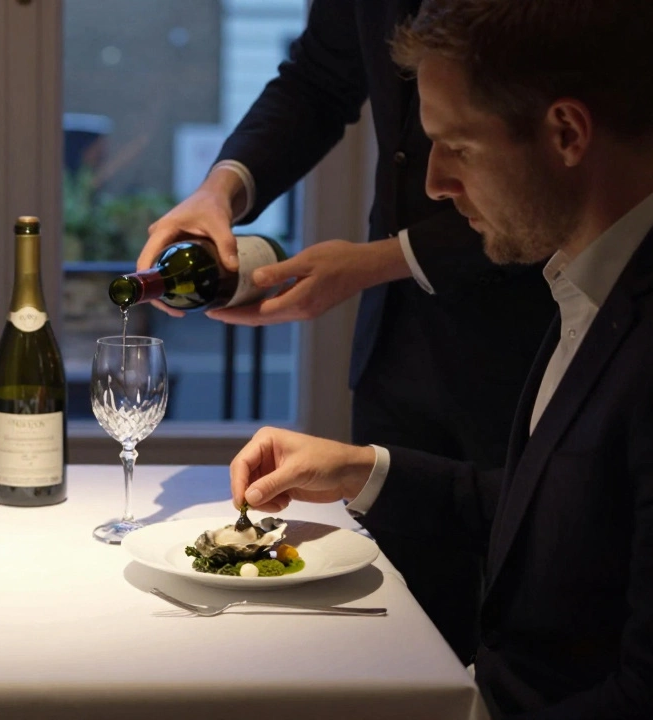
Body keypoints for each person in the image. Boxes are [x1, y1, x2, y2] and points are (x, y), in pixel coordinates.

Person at [230, 1, 653, 716]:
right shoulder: (582, 286)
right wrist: (360, 470)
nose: (432, 184)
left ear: (567, 132)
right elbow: (549, 516)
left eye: (457, 145)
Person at [137, 0, 556, 662]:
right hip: (395, 345)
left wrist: (378, 262)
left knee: (539, 604)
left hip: (527, 339)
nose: (436, 180)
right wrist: (221, 189)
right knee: (394, 629)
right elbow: (317, 79)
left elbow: (554, 167)